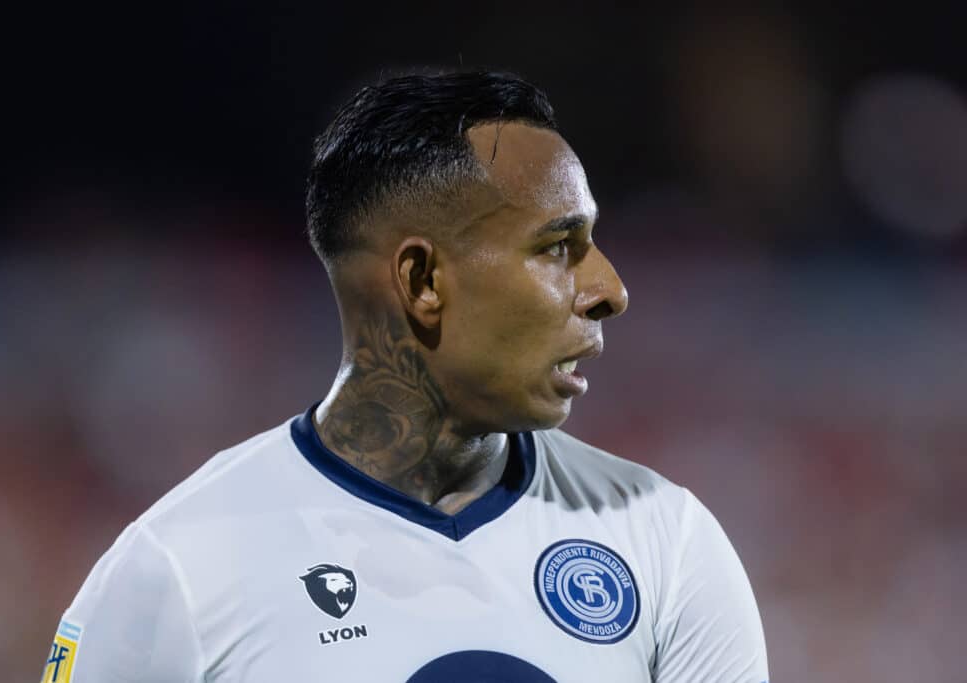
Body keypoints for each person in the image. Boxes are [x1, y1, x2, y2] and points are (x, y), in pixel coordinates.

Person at [43, 70, 769, 682]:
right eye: (558, 247)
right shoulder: (176, 567)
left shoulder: (664, 542)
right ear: (423, 278)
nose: (610, 287)